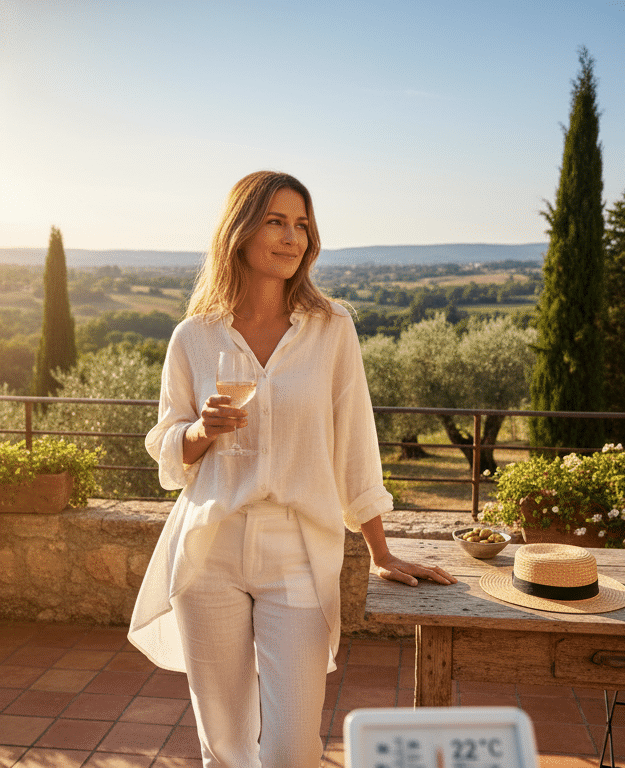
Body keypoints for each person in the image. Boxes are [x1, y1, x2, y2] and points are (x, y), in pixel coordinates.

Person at [129, 171, 456, 768]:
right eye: (276, 221)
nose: (292, 237)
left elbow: (355, 442)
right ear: (240, 230)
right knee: (223, 746)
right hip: (210, 549)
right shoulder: (193, 337)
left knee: (292, 750)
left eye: (301, 224)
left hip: (299, 552)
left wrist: (381, 551)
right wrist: (201, 431)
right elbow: (165, 447)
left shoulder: (332, 329)